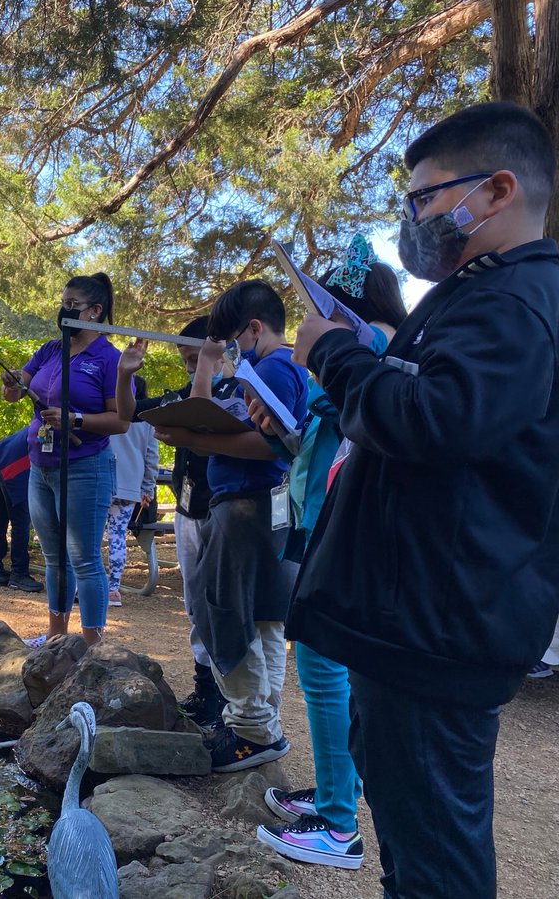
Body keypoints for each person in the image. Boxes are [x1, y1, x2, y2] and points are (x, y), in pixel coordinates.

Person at [287, 102, 559, 898]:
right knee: (412, 839)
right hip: (421, 621)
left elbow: (436, 422)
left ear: (498, 189)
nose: (414, 219)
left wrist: (334, 354)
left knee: (436, 860)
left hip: (437, 627)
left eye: (426, 199)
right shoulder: (491, 292)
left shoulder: (514, 301)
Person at [250, 234, 407, 871]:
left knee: (321, 668)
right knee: (325, 671)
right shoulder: (368, 347)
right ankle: (336, 793)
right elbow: (323, 446)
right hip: (319, 521)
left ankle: (340, 827)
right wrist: (280, 434)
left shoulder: (380, 341)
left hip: (343, 531)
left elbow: (373, 415)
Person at [121, 281, 308, 772]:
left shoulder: (273, 367)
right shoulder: (271, 366)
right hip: (258, 506)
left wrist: (196, 441)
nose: (228, 351)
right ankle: (257, 720)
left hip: (246, 506)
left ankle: (254, 728)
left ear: (252, 328)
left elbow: (276, 446)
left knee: (224, 609)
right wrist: (202, 379)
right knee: (262, 615)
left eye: (229, 340)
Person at [0, 273, 129, 647]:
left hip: (85, 467)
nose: (64, 310)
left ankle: (93, 647)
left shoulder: (109, 359)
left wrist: (75, 419)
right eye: (63, 302)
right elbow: (15, 391)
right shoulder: (50, 350)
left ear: (95, 311)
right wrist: (10, 384)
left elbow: (120, 421)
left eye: (72, 305)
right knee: (54, 557)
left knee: (85, 560)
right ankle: (57, 639)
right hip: (40, 466)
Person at [117, 316, 232, 727]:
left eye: (195, 359)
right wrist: (125, 374)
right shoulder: (183, 394)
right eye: (186, 361)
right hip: (187, 510)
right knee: (195, 604)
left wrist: (206, 366)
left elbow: (203, 411)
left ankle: (228, 696)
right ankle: (206, 688)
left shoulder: (238, 393)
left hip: (222, 512)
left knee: (221, 607)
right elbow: (130, 413)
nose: (191, 367)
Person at [104, 375, 159, 607]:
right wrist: (148, 487)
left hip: (102, 480)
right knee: (118, 537)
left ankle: (85, 586)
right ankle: (113, 589)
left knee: (91, 537)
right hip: (130, 485)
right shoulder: (147, 422)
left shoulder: (107, 413)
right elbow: (151, 456)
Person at [0, 426, 43, 592]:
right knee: (21, 522)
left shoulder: (49, 415)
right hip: (14, 465)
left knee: (0, 519)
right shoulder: (63, 421)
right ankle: (19, 574)